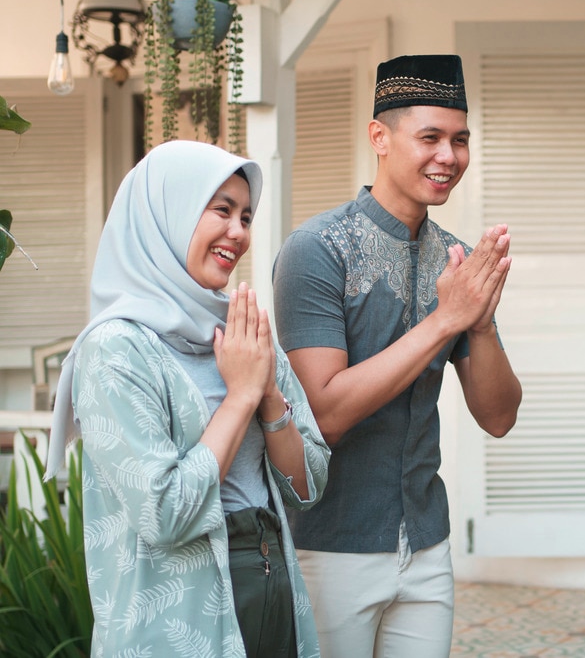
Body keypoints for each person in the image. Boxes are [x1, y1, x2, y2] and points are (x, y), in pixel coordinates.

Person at [272, 54, 522, 657]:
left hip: (426, 546)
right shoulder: (317, 250)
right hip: (330, 545)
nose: (449, 156)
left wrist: (479, 326)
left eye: (460, 140)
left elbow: (499, 417)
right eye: (430, 137)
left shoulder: (457, 259)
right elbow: (323, 413)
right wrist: (445, 322)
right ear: (379, 137)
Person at [44, 140, 331, 657]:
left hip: (272, 588)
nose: (238, 232)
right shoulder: (116, 351)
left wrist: (267, 395)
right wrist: (241, 396)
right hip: (179, 619)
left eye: (245, 215)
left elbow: (308, 485)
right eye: (221, 210)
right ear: (167, 215)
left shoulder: (243, 334)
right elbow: (165, 515)